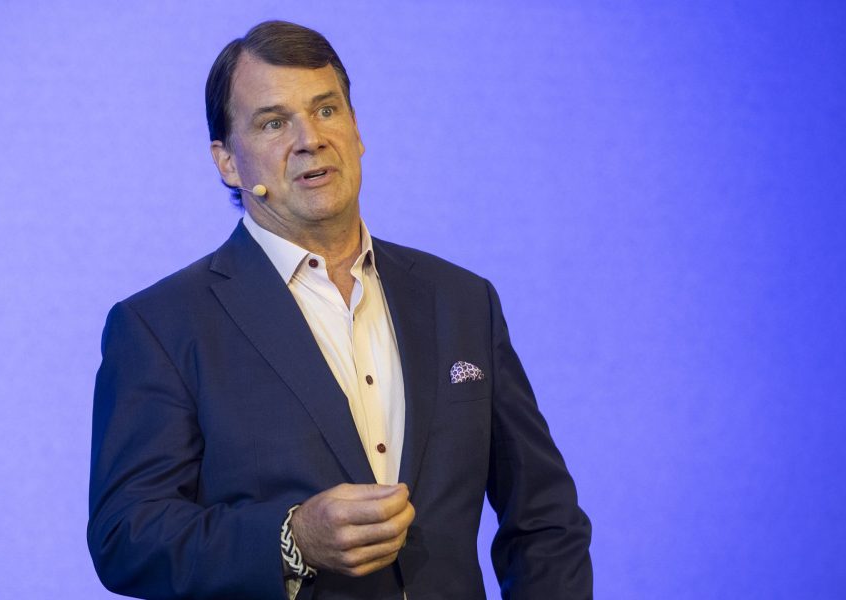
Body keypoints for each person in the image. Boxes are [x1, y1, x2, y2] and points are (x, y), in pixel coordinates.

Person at [88, 20, 592, 600]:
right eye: (274, 123)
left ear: (356, 130)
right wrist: (293, 540)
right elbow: (126, 536)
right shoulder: (160, 325)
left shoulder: (461, 299)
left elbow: (544, 517)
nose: (310, 139)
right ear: (228, 163)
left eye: (326, 110)